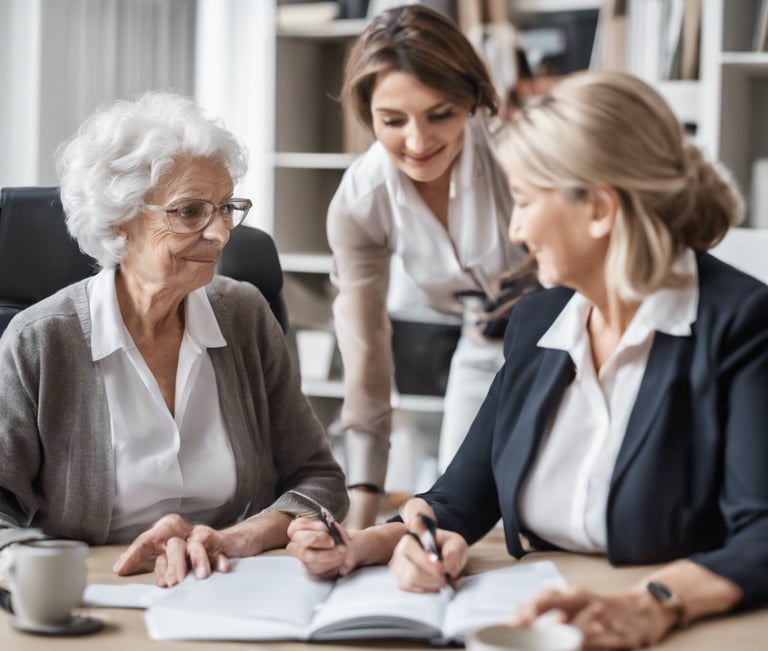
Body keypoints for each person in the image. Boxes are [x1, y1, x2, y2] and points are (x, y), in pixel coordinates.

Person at [287, 70, 768, 648]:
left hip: (678, 631)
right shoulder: (539, 321)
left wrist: (655, 604)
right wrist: (376, 542)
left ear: (598, 209)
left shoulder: (740, 324)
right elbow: (460, 496)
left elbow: (761, 535)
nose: (514, 230)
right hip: (529, 620)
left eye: (523, 201)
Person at [0, 91, 348, 588]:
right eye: (190, 212)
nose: (221, 234)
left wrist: (240, 538)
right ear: (121, 221)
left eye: (226, 207)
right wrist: (46, 575)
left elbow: (319, 479)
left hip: (232, 583)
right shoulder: (38, 342)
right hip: (95, 592)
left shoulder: (245, 315)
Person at [328, 4, 528, 529]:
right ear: (367, 113)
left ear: (471, 100)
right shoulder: (361, 199)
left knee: (542, 515)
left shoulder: (517, 157)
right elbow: (366, 357)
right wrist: (361, 511)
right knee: (455, 516)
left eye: (439, 114)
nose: (417, 143)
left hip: (566, 344)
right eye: (392, 121)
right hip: (482, 345)